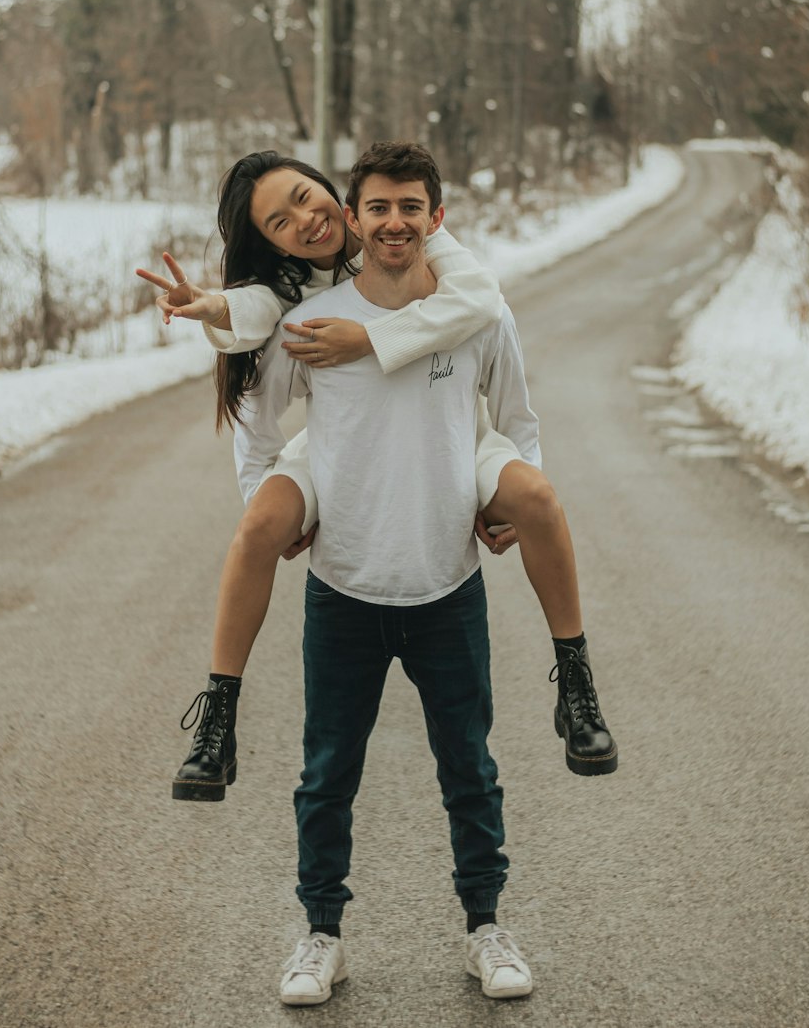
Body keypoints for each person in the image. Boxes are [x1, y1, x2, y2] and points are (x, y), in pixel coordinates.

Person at [136, 151, 615, 805]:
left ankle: (576, 681)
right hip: (341, 439)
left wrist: (370, 340)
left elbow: (480, 301)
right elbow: (252, 316)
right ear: (269, 241)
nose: (305, 220)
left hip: (452, 434)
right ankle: (218, 721)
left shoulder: (395, 222)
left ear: (330, 188)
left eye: (306, 196)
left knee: (536, 495)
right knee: (257, 529)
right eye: (280, 221)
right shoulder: (289, 288)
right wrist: (214, 306)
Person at [235, 141, 544, 1002]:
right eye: (378, 207)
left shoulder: (479, 313)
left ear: (435, 218)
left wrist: (507, 502)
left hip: (448, 584)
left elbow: (517, 423)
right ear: (356, 217)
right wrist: (279, 504)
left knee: (469, 766)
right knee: (327, 771)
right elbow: (257, 429)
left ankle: (487, 926)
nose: (395, 221)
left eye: (412, 206)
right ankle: (319, 935)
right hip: (343, 587)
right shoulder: (312, 322)